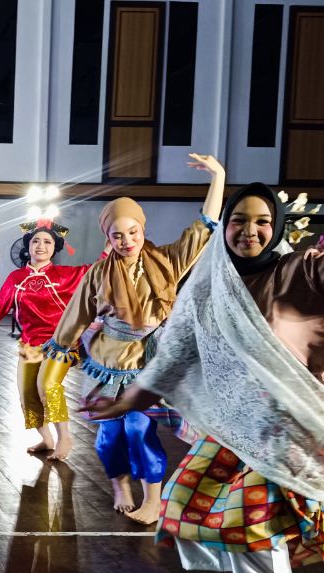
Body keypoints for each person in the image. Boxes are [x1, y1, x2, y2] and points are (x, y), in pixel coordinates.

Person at [90, 132, 324, 573]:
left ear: (278, 227)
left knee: (248, 513)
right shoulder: (212, 282)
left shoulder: (303, 274)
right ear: (225, 228)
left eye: (262, 221)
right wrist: (131, 398)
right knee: (187, 501)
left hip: (294, 424)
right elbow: (178, 349)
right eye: (238, 221)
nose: (249, 230)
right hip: (237, 420)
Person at [39, 153, 227, 523]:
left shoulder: (168, 261)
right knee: (108, 436)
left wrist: (217, 177)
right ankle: (119, 484)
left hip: (151, 359)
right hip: (109, 361)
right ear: (108, 237)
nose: (127, 240)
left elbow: (205, 226)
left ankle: (152, 499)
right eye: (117, 235)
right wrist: (54, 362)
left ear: (143, 229)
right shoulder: (98, 275)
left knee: (140, 429)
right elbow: (75, 317)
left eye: (133, 232)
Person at [0, 220, 88, 459]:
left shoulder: (67, 275)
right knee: (27, 394)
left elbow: (99, 270)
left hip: (59, 343)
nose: (41, 246)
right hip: (29, 343)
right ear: (27, 246)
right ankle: (46, 439)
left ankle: (65, 437)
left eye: (47, 242)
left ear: (55, 247)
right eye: (35, 241)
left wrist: (113, 243)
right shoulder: (16, 277)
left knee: (48, 386)